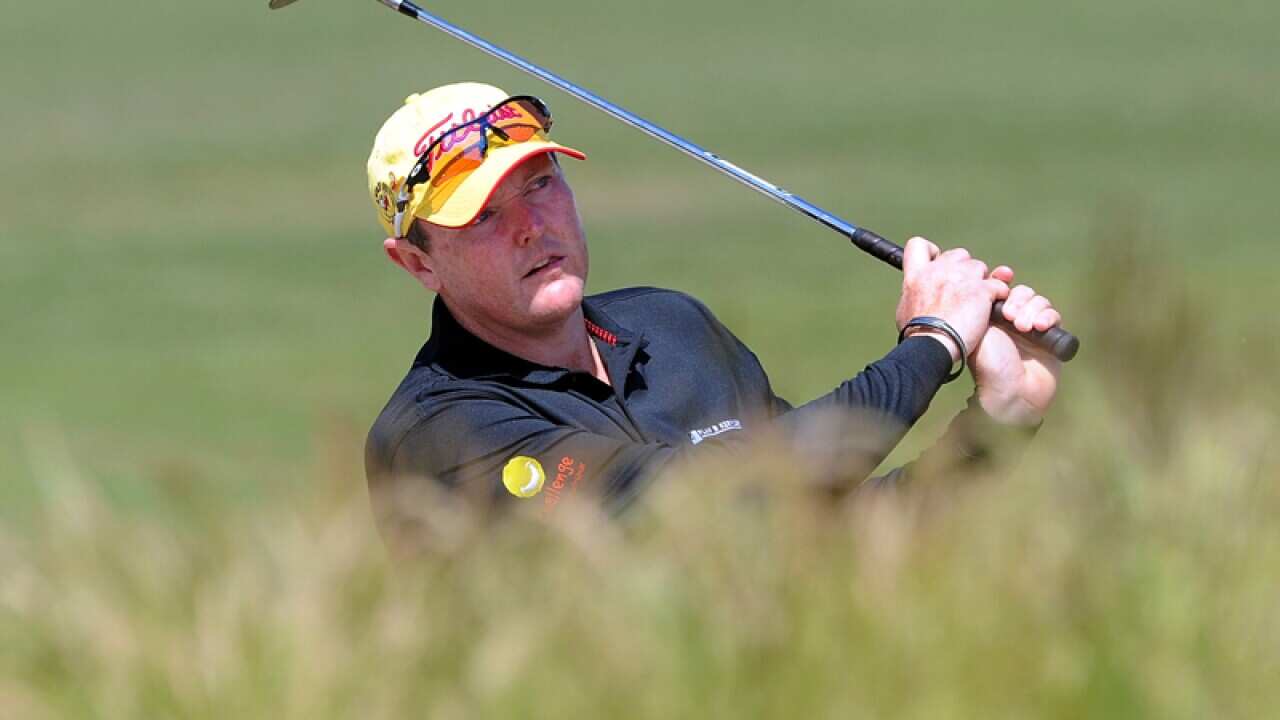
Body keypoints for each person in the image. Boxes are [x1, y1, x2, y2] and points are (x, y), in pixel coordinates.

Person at [363, 82, 1063, 522]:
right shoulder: (439, 435)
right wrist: (933, 343)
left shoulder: (672, 327)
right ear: (417, 262)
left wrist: (1003, 417)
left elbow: (830, 529)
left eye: (540, 183)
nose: (531, 227)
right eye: (483, 216)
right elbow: (725, 506)